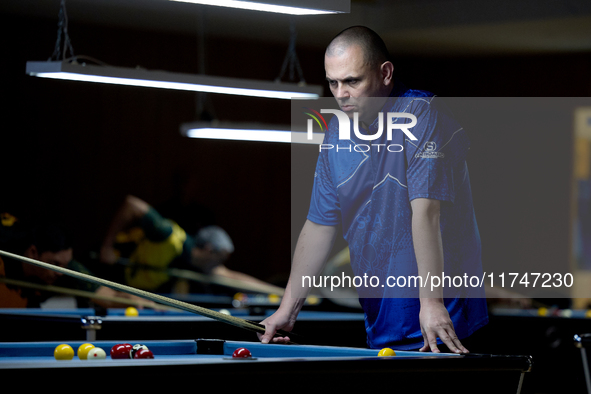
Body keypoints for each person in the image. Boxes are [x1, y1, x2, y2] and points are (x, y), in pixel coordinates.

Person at [258, 26, 489, 353]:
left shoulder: (423, 115)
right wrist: (288, 309)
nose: (341, 94)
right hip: (382, 319)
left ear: (385, 73)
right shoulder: (337, 132)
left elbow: (427, 213)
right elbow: (320, 224)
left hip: (445, 321)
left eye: (353, 81)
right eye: (333, 83)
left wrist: (432, 302)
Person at [99, 195, 282, 294]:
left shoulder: (196, 261)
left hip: (119, 287)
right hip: (101, 269)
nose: (219, 266)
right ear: (209, 250)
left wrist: (283, 294)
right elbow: (131, 203)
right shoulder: (168, 235)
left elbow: (232, 277)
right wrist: (107, 247)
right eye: (220, 259)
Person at [0, 213, 145, 308]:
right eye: (55, 264)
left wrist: (134, 300)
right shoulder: (5, 253)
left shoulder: (65, 266)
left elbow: (110, 297)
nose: (61, 272)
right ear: (33, 252)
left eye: (65, 264)